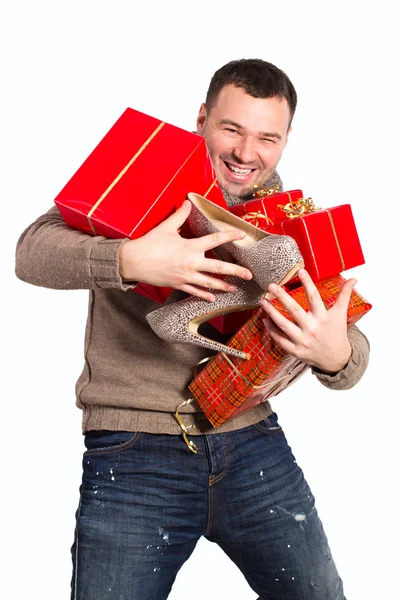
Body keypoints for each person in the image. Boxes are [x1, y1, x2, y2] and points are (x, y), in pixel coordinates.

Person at [15, 58, 369, 600]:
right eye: (231, 128)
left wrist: (335, 353)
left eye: (266, 137)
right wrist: (132, 261)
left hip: (252, 444)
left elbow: (353, 351)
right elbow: (31, 252)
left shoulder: (289, 214)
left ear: (286, 140)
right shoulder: (147, 175)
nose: (246, 153)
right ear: (202, 118)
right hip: (133, 451)